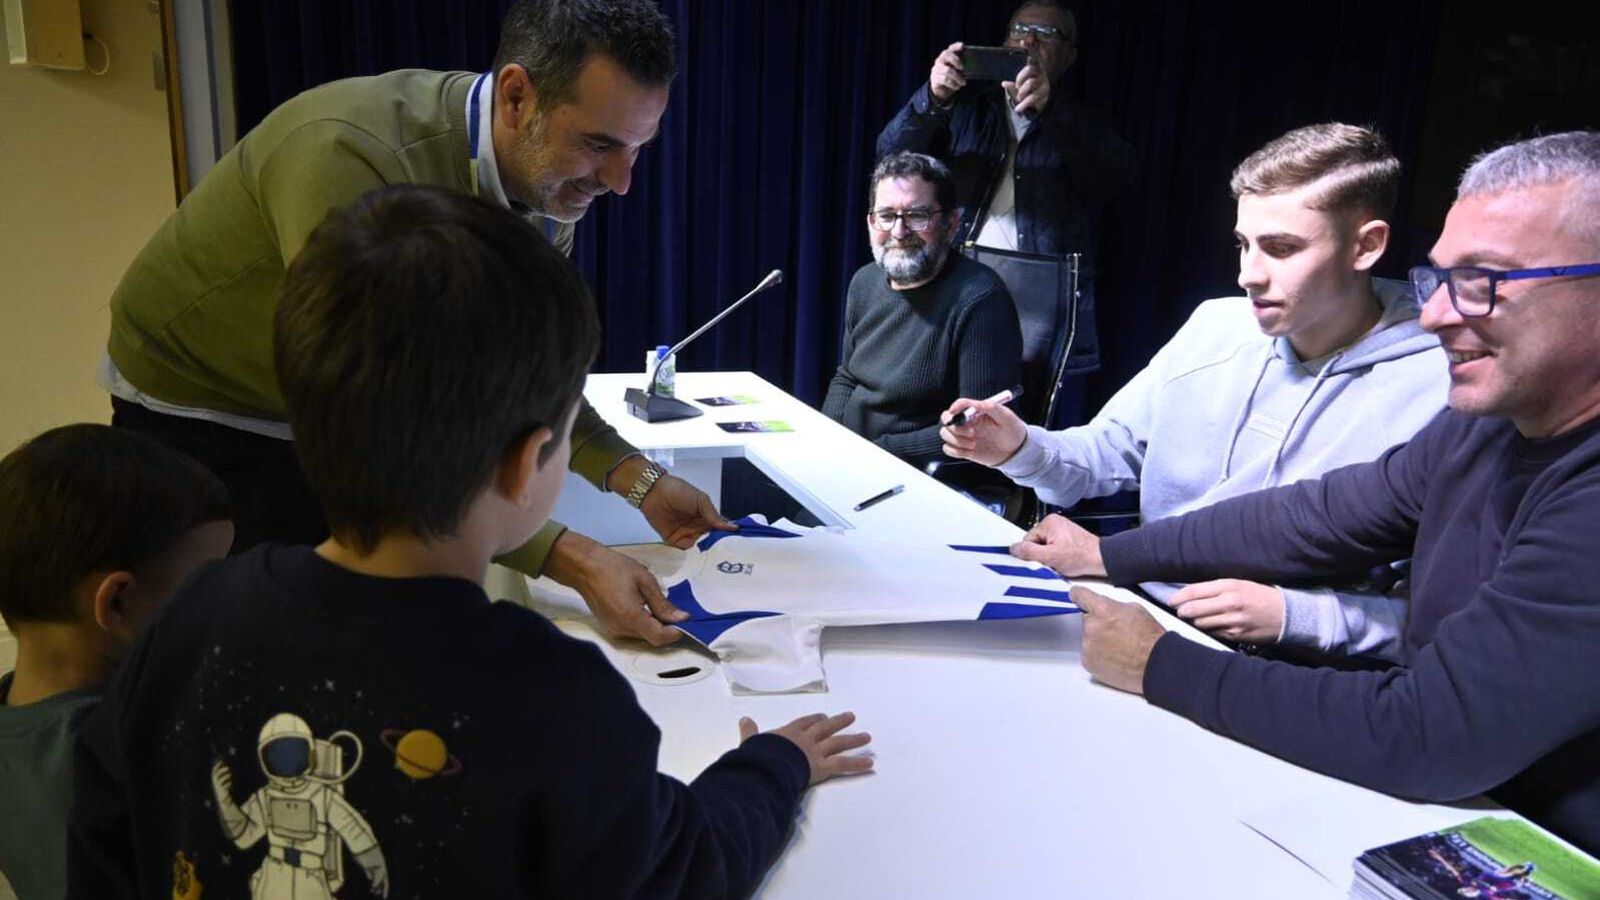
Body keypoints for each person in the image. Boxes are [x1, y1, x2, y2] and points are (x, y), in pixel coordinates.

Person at [68, 186, 874, 899]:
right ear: (530, 463)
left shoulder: (188, 621)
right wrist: (775, 767)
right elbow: (684, 868)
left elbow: (104, 827)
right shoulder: (556, 695)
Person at [1028, 132, 1600, 855]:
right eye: (1441, 279)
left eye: (1485, 280)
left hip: (1536, 843)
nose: (1436, 316)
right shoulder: (1488, 425)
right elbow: (1314, 518)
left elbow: (1431, 732)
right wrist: (1113, 557)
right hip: (1453, 802)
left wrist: (1159, 663)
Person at [100, 0, 722, 646]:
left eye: (636, 151)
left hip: (339, 412)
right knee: (244, 649)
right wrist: (571, 557)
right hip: (200, 406)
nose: (621, 183)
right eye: (599, 145)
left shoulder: (547, 190)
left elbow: (532, 377)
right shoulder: (348, 156)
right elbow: (383, 424)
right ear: (516, 97)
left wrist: (639, 479)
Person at [942, 123, 1447, 660]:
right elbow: (1102, 455)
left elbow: (1444, 616)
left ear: (1366, 246)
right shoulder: (1215, 326)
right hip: (1138, 609)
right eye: (1243, 244)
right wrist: (1022, 449)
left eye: (1281, 248)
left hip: (1296, 664)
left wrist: (1299, 617)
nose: (1247, 274)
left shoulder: (1440, 384)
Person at [0, 424, 232, 900]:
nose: (224, 605)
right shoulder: (130, 761)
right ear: (118, 602)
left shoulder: (14, 712)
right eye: (207, 585)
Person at [877, 0, 1135, 403]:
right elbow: (892, 158)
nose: (1029, 40)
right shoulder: (966, 107)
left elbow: (1115, 179)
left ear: (1069, 56)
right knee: (944, 398)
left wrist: (1052, 112)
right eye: (1019, 30)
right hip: (959, 276)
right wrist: (933, 96)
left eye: (1047, 34)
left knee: (1021, 409)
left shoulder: (1086, 118)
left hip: (1041, 294)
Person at [822, 151, 1023, 467]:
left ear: (951, 223)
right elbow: (847, 377)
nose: (899, 232)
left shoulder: (981, 299)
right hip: (849, 460)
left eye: (917, 215)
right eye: (887, 215)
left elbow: (975, 430)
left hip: (916, 474)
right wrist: (825, 437)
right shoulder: (864, 281)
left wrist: (873, 453)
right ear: (870, 222)